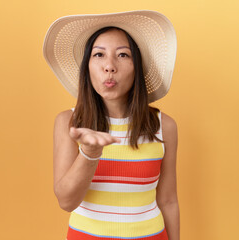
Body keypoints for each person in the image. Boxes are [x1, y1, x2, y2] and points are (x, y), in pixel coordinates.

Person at [43, 10, 179, 240]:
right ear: (87, 67)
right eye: (99, 55)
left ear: (138, 67)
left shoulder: (165, 126)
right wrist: (89, 154)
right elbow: (66, 201)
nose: (109, 66)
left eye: (123, 55)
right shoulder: (68, 122)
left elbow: (168, 200)